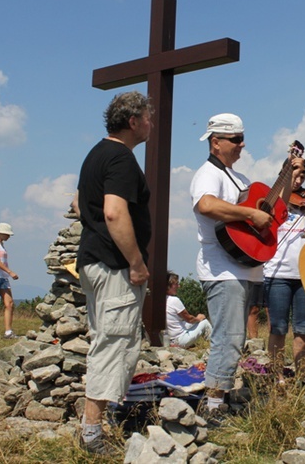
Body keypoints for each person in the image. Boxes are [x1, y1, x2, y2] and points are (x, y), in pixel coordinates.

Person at [190, 113, 303, 423]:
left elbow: (271, 208)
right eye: (236, 139)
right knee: (228, 336)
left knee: (236, 338)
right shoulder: (207, 174)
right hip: (222, 270)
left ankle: (220, 397)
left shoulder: (238, 179)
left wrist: (286, 175)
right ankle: (212, 407)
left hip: (245, 268)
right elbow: (206, 205)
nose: (242, 144)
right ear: (216, 143)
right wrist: (250, 215)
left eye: (242, 138)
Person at [71, 91, 152, 454]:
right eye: (148, 117)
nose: (151, 123)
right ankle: (91, 434)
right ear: (133, 121)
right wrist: (136, 262)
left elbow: (77, 202)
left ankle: (95, 424)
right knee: (114, 344)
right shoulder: (120, 157)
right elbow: (115, 212)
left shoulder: (95, 154)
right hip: (114, 264)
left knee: (106, 338)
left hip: (92, 259)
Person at [263, 156, 305, 383]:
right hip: (277, 273)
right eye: (295, 173)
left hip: (304, 274)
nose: (299, 179)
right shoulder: (273, 198)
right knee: (278, 328)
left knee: (303, 329)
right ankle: (276, 376)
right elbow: (276, 208)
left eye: (302, 175)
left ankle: (301, 374)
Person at [166, 271, 212, 347]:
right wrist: (199, 318)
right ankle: (211, 346)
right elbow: (189, 319)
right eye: (176, 284)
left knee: (186, 324)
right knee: (205, 322)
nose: (178, 286)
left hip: (169, 338)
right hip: (179, 340)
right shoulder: (174, 300)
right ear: (170, 285)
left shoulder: (162, 301)